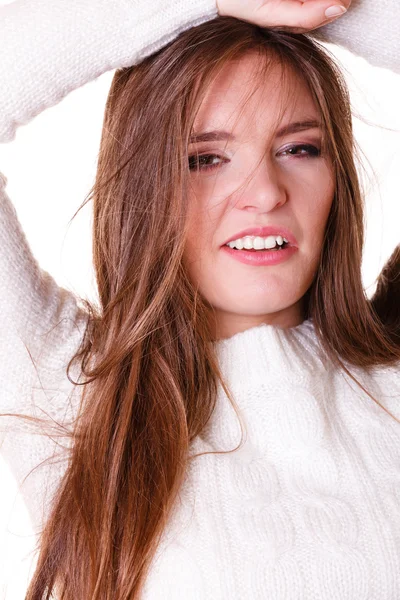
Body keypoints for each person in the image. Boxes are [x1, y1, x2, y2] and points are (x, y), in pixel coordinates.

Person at [1, 0, 400, 598]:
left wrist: (320, 10)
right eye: (205, 159)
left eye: (299, 148)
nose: (264, 193)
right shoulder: (72, 394)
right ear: (145, 189)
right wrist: (200, 1)